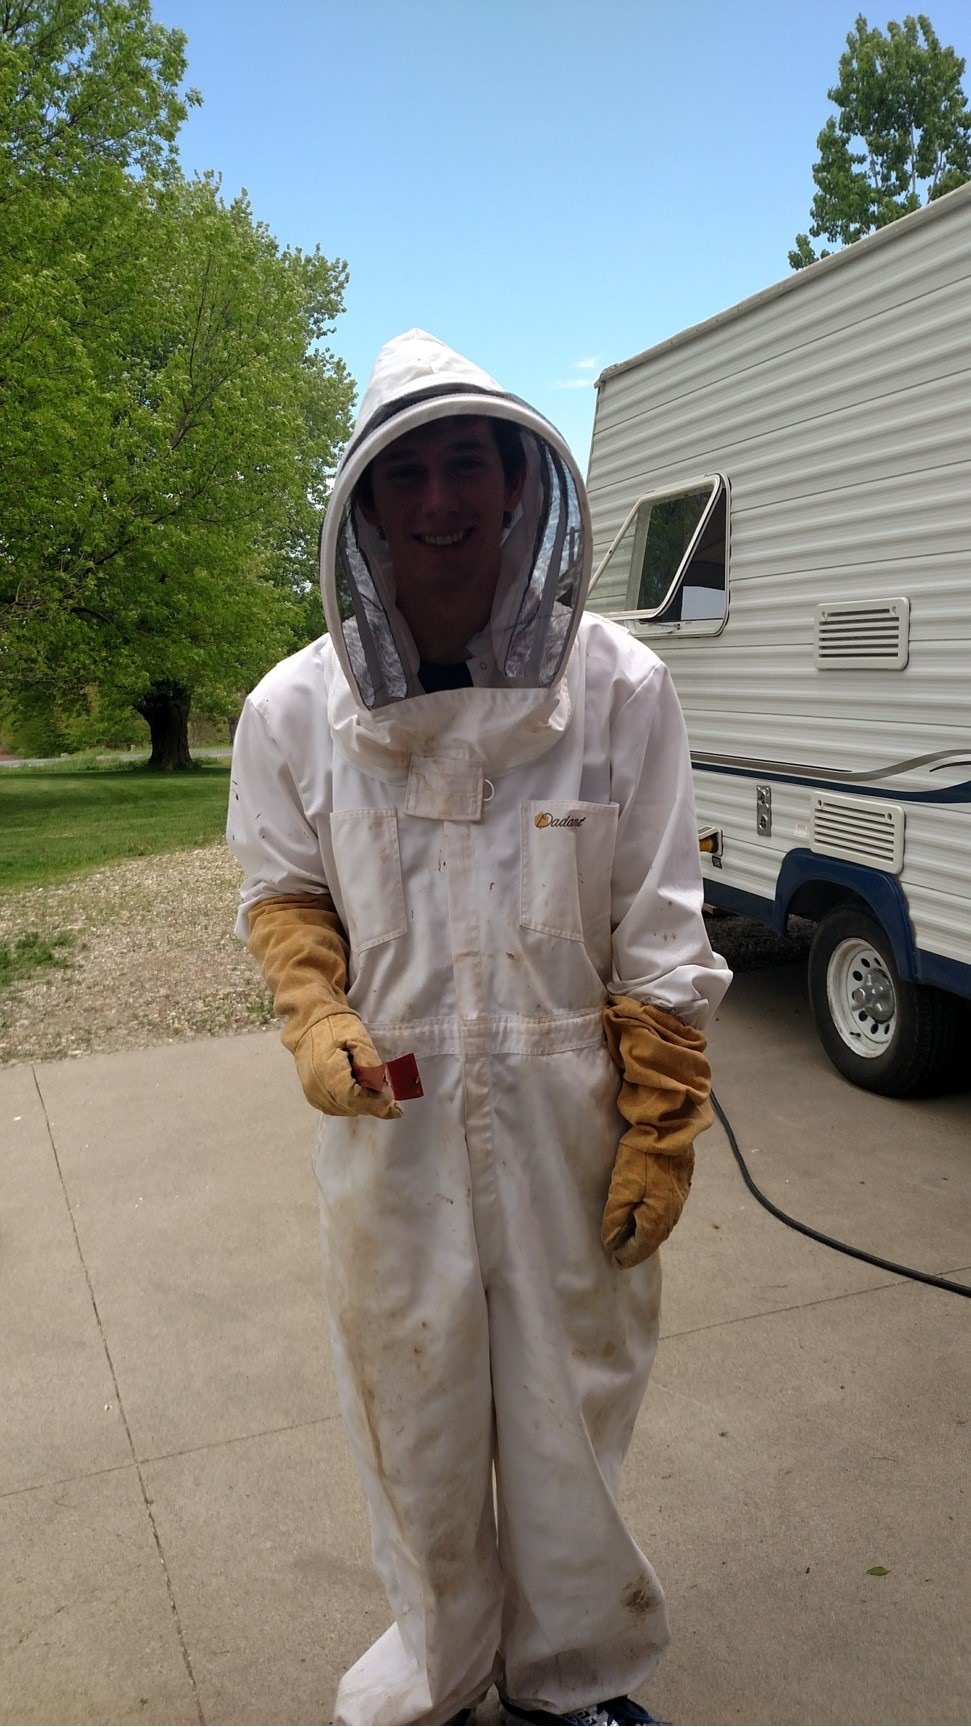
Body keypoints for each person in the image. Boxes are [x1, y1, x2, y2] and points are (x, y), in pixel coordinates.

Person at [227, 329, 731, 1727]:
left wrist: (662, 1111)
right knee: (416, 1418)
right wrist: (315, 1012)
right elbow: (283, 890)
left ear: (520, 488)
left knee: (572, 1411)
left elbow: (657, 914)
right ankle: (444, 1670)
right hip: (389, 1122)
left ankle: (573, 1682)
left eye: (468, 465)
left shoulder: (621, 689)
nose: (440, 499)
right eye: (410, 476)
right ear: (369, 508)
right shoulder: (292, 709)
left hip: (571, 1117)